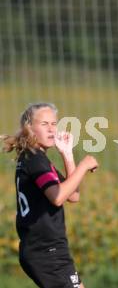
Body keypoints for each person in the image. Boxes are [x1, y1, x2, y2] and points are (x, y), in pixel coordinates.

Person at [1, 103, 98, 288]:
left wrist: (68, 155)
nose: (52, 129)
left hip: (49, 250)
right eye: (44, 124)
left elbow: (73, 195)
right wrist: (84, 165)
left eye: (54, 123)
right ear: (29, 128)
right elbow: (58, 197)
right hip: (46, 251)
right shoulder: (35, 159)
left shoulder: (38, 158)